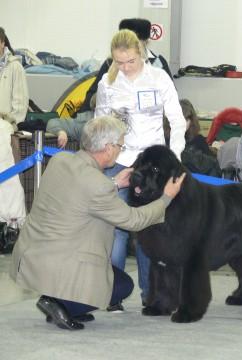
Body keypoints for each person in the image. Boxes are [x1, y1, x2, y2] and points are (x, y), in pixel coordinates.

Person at [9, 115, 185, 330]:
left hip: (33, 257)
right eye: (120, 145)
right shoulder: (97, 184)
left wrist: (114, 182)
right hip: (63, 263)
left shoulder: (60, 161)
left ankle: (61, 302)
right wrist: (167, 197)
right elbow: (134, 220)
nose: (121, 149)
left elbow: (81, 191)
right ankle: (61, 304)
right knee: (121, 285)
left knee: (110, 276)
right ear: (108, 148)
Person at [95, 29, 186, 311]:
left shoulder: (159, 79)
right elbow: (100, 127)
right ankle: (113, 295)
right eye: (119, 62)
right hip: (119, 161)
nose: (125, 67)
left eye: (131, 61)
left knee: (150, 227)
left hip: (154, 164)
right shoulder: (106, 84)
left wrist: (175, 159)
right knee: (117, 229)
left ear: (141, 53)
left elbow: (178, 122)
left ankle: (152, 293)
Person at [77, 18, 173, 115]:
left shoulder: (158, 63)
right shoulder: (110, 63)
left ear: (145, 42)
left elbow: (170, 99)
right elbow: (92, 96)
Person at [0, 27, 28, 225]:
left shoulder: (15, 67)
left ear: (2, 43)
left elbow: (20, 104)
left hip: (5, 123)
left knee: (4, 163)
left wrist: (10, 122)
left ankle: (12, 218)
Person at [164, 99, 221, 176]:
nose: (182, 124)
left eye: (186, 119)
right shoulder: (163, 140)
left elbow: (213, 167)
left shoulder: (198, 140)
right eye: (179, 120)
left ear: (191, 121)